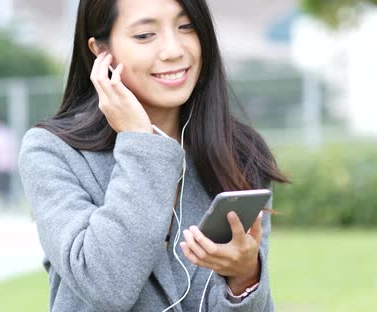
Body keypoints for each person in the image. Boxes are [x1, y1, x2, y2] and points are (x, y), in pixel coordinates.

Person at [18, 0, 288, 311]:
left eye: (186, 27)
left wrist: (244, 277)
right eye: (145, 35)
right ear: (100, 50)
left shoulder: (240, 152)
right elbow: (105, 285)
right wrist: (141, 144)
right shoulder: (53, 151)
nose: (173, 50)